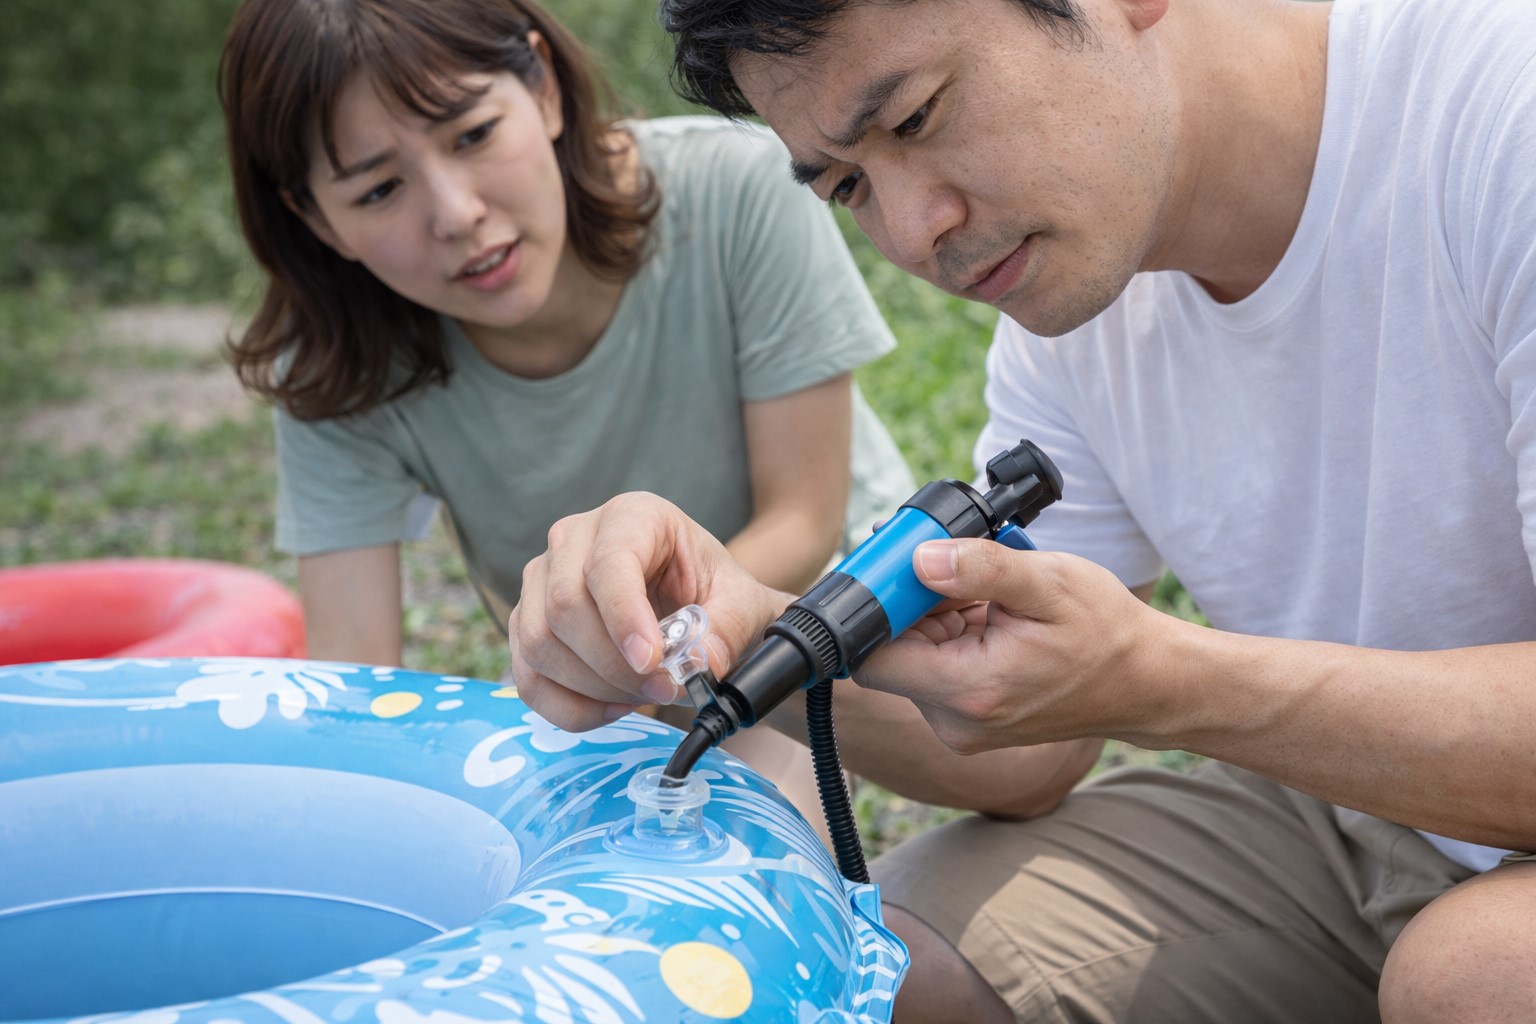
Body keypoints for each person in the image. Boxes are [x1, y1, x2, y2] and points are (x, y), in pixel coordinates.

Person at [505, 0, 1536, 1020]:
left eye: (915, 117)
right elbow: (1031, 757)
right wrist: (742, 636)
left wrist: (1161, 680)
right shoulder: (1071, 310)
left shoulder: (1497, 110)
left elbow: (1144, 688)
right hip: (1352, 813)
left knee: (1478, 973)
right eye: (850, 183)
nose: (914, 232)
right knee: (868, 962)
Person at [217, 0, 915, 838]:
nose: (456, 212)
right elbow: (354, 679)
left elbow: (803, 518)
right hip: (599, 671)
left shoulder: (733, 186)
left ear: (542, 86)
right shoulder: (336, 366)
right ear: (315, 217)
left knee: (743, 838)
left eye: (472, 134)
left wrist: (634, 649)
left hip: (811, 610)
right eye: (378, 188)